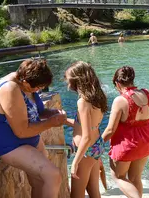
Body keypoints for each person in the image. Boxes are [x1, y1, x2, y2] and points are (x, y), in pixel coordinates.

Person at [0, 58, 67, 198]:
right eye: (37, 87)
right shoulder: (10, 89)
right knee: (53, 175)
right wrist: (51, 123)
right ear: (24, 80)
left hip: (31, 140)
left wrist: (52, 113)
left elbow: (37, 112)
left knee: (40, 182)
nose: (38, 90)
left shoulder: (26, 82)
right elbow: (21, 132)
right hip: (10, 145)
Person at [102, 66, 149, 198]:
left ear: (117, 83)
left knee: (118, 177)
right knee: (135, 178)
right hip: (146, 142)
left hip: (128, 145)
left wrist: (96, 142)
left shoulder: (120, 100)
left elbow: (110, 129)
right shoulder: (146, 93)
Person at [65, 61, 108, 198]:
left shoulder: (83, 102)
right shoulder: (98, 97)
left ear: (77, 80)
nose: (67, 84)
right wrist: (64, 120)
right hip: (96, 146)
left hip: (86, 151)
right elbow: (90, 126)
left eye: (69, 80)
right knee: (93, 190)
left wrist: (75, 162)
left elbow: (86, 136)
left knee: (76, 195)